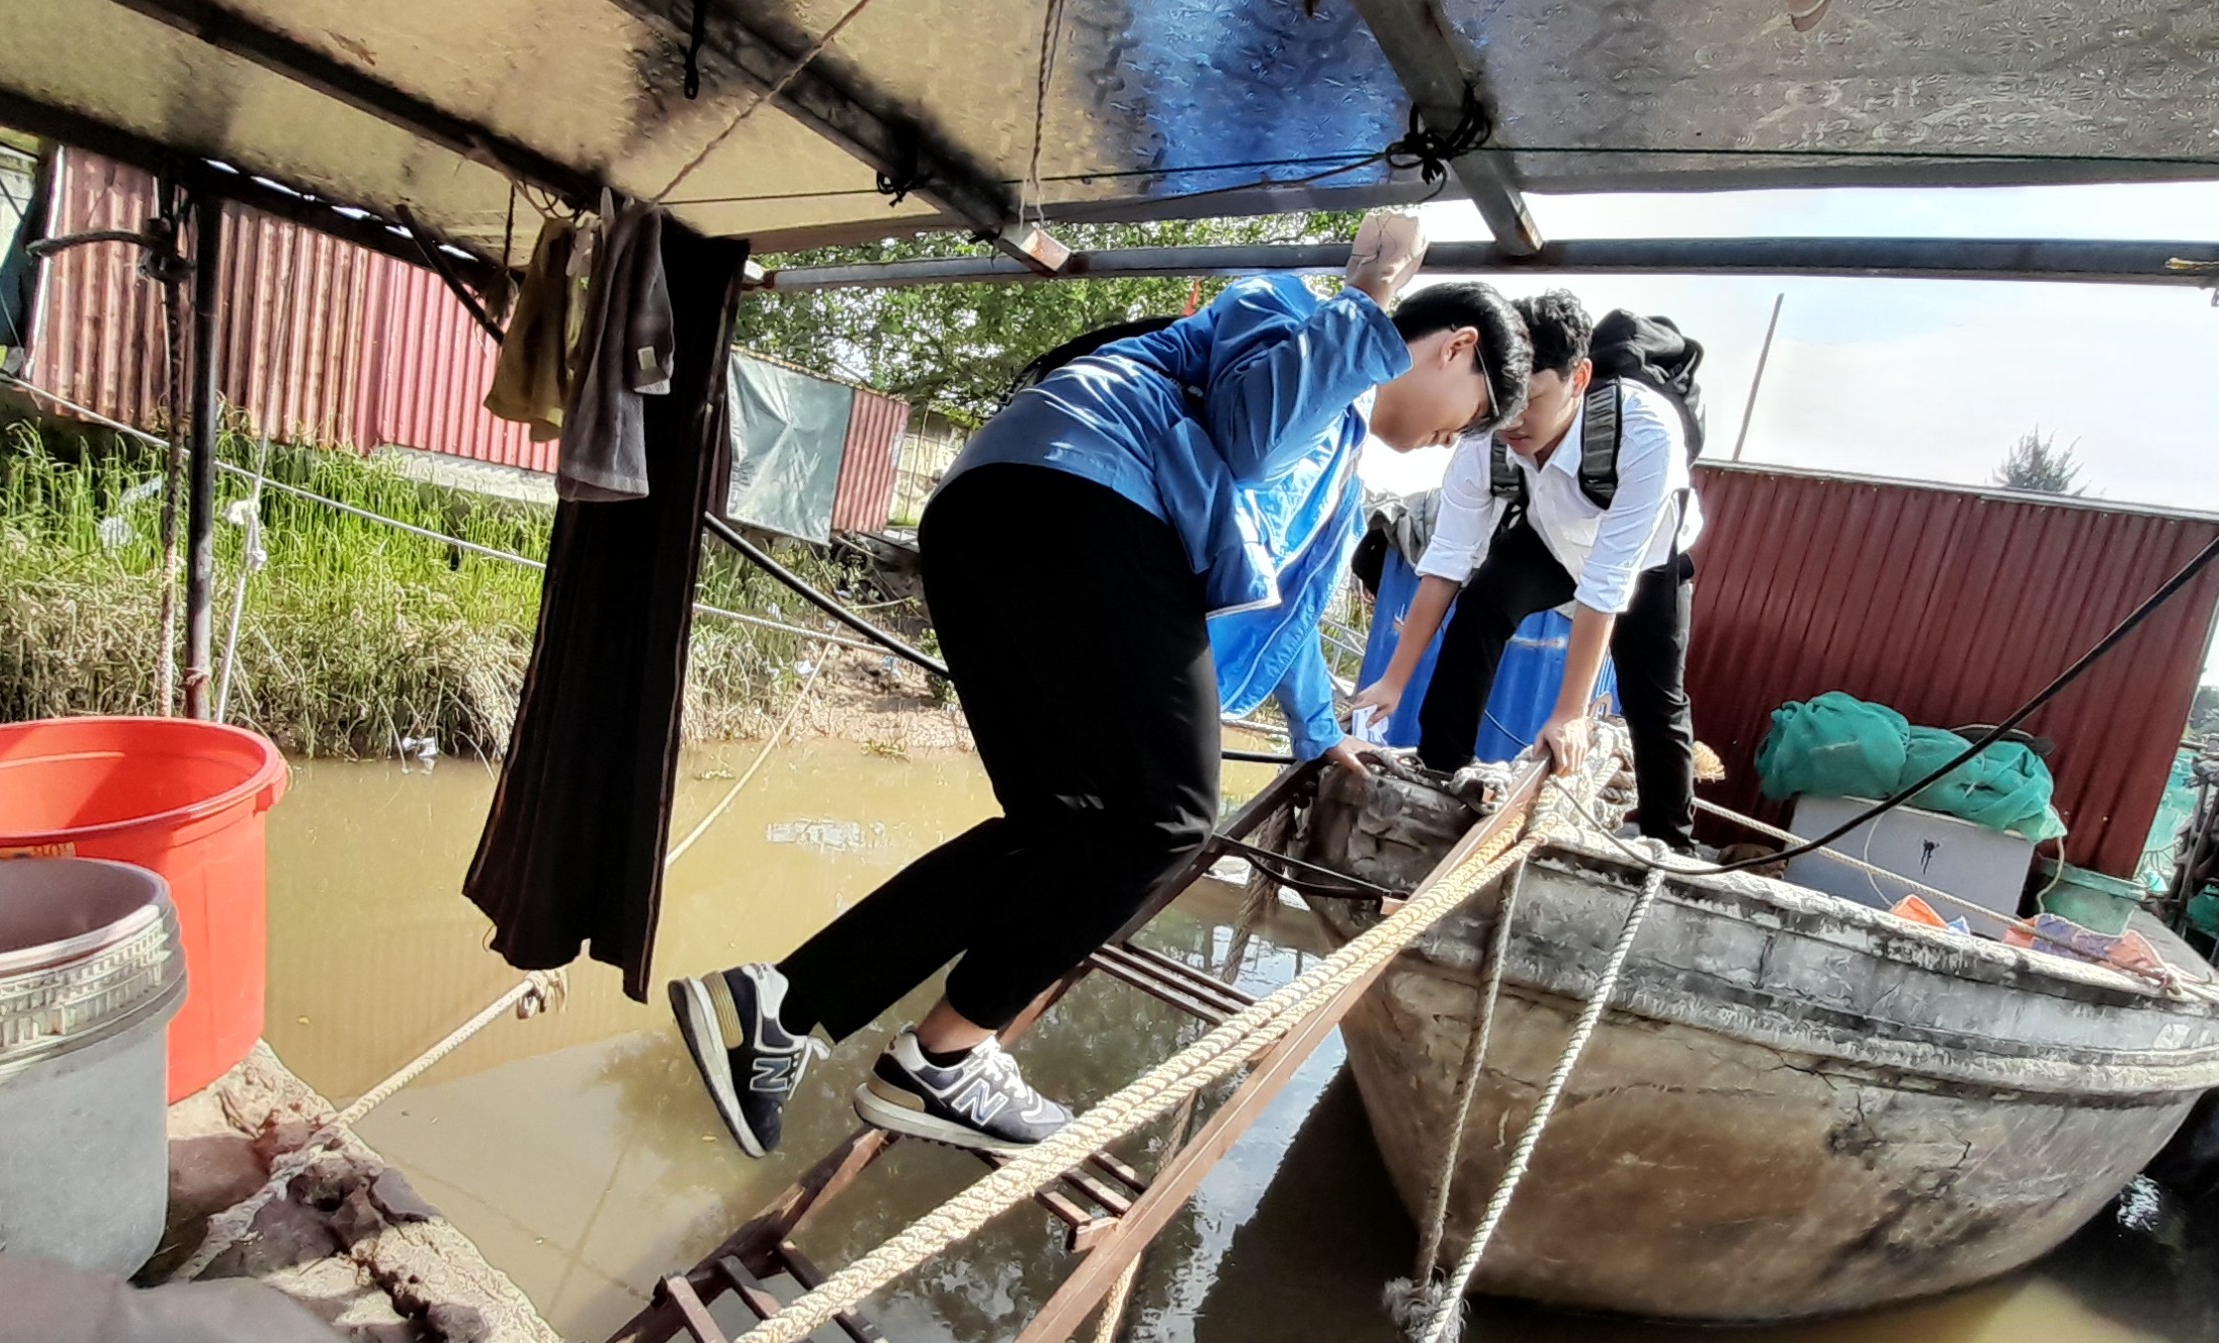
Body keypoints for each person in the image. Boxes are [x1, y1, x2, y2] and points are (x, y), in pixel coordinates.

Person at [670, 218, 1533, 1160]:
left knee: (1062, 825)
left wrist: (1318, 733)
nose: (1455, 443)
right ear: (1455, 348)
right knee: (1165, 822)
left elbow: (1288, 615)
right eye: (1473, 414)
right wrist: (1367, 302)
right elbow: (1246, 439)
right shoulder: (1296, 310)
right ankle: (944, 1058)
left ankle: (784, 1005)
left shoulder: (1339, 466)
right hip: (1083, 506)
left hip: (997, 522)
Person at [1350, 289, 1704, 849]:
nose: (1512, 420)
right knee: (1482, 606)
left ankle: (1671, 838)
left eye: (1533, 398)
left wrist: (1570, 714)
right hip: (1548, 537)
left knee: (1655, 695)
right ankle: (1442, 765)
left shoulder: (1645, 431)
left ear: (1580, 378)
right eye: (1506, 398)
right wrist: (1393, 679)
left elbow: (1608, 579)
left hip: (1644, 557)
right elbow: (1445, 563)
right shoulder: (1486, 437)